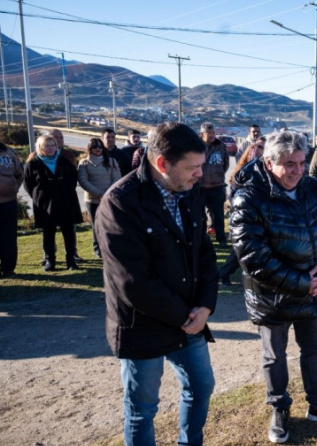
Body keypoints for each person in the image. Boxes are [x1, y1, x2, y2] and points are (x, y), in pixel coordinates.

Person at [95, 121, 218, 445]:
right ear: (162, 164)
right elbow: (133, 282)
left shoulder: (188, 191)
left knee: (201, 386)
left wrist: (205, 305)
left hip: (191, 316)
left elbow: (204, 252)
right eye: (192, 168)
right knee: (142, 409)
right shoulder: (120, 203)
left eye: (201, 167)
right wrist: (185, 318)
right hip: (143, 325)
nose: (199, 175)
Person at [230, 130, 317, 443]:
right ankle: (280, 407)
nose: (297, 170)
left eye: (301, 162)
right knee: (275, 356)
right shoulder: (249, 196)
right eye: (289, 164)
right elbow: (253, 257)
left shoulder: (312, 186)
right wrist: (303, 283)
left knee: (313, 349)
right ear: (269, 163)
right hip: (273, 297)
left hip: (314, 290)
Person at [23, 135, 83, 271]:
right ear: (40, 147)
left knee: (69, 233)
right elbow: (28, 184)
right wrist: (39, 197)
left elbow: (73, 179)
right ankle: (50, 260)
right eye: (47, 146)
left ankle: (71, 261)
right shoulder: (33, 163)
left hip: (66, 201)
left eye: (52, 145)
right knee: (48, 233)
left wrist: (65, 191)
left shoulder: (64, 161)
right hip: (45, 204)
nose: (50, 148)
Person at [218, 139, 265, 286]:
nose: (261, 150)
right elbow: (234, 193)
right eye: (259, 147)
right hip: (245, 215)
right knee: (242, 249)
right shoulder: (245, 170)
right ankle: (224, 274)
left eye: (263, 147)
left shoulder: (267, 169)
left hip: (261, 214)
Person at [77, 138, 121, 259]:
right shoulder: (84, 163)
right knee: (96, 225)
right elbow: (83, 181)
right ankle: (98, 249)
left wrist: (107, 194)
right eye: (94, 146)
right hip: (93, 200)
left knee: (111, 224)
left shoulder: (111, 161)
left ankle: (111, 247)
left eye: (100, 146)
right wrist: (100, 194)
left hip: (110, 198)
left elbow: (117, 179)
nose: (97, 149)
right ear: (90, 148)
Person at [198, 122, 230, 247]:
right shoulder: (196, 146)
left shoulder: (221, 146)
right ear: (202, 134)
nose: (212, 136)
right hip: (200, 186)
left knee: (219, 215)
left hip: (217, 186)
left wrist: (218, 175)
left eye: (213, 133)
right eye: (208, 133)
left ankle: (221, 238)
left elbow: (226, 164)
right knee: (201, 216)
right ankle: (202, 239)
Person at [0, 141, 23, 278]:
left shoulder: (9, 153)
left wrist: (13, 189)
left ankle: (8, 268)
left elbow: (19, 174)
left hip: (8, 203)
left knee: (9, 237)